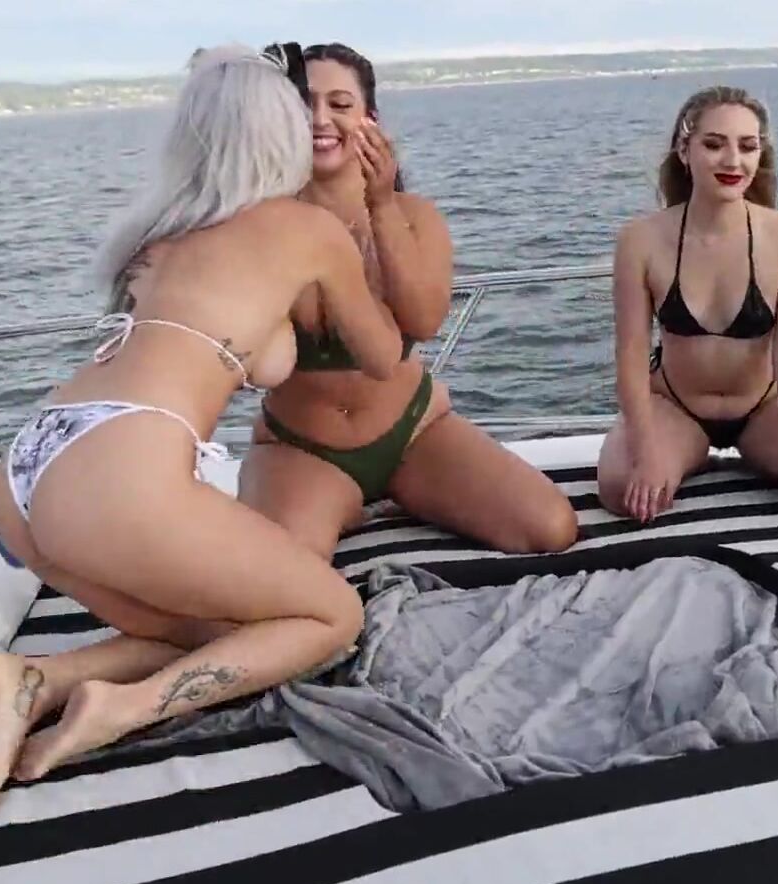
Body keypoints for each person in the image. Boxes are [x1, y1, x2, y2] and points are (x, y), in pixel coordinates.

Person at [0, 44, 407, 817]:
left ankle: (36, 679)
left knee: (229, 631)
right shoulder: (308, 230)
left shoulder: (156, 236)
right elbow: (385, 354)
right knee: (333, 616)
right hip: (123, 469)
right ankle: (124, 707)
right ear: (280, 135)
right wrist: (378, 211)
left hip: (28, 468)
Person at [240, 42, 579, 557]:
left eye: (340, 104)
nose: (320, 119)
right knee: (279, 572)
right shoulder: (257, 226)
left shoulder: (414, 215)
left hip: (412, 432)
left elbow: (424, 321)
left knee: (550, 528)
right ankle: (336, 501)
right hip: (299, 446)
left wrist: (380, 206)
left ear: (370, 120)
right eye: (304, 104)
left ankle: (393, 494)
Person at [596, 85, 778, 523]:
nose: (733, 161)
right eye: (714, 144)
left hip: (763, 406)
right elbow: (631, 356)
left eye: (747, 147)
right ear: (684, 150)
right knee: (621, 490)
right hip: (675, 405)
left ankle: (756, 456)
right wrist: (648, 454)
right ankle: (686, 454)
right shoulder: (641, 240)